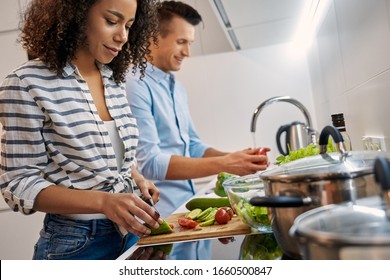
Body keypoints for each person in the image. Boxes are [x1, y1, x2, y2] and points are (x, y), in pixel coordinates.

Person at [0, 0, 162, 260]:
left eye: (129, 26)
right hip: (75, 244)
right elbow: (18, 183)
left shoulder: (113, 78)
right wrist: (104, 202)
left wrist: (136, 178)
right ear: (76, 14)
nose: (122, 36)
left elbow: (112, 155)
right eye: (111, 21)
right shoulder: (25, 83)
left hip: (131, 233)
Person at [126, 1, 270, 218]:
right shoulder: (135, 84)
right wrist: (226, 164)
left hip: (188, 205)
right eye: (181, 42)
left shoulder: (176, 87)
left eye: (190, 42)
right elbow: (150, 163)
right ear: (152, 37)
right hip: (161, 212)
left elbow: (192, 145)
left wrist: (237, 159)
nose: (188, 52)